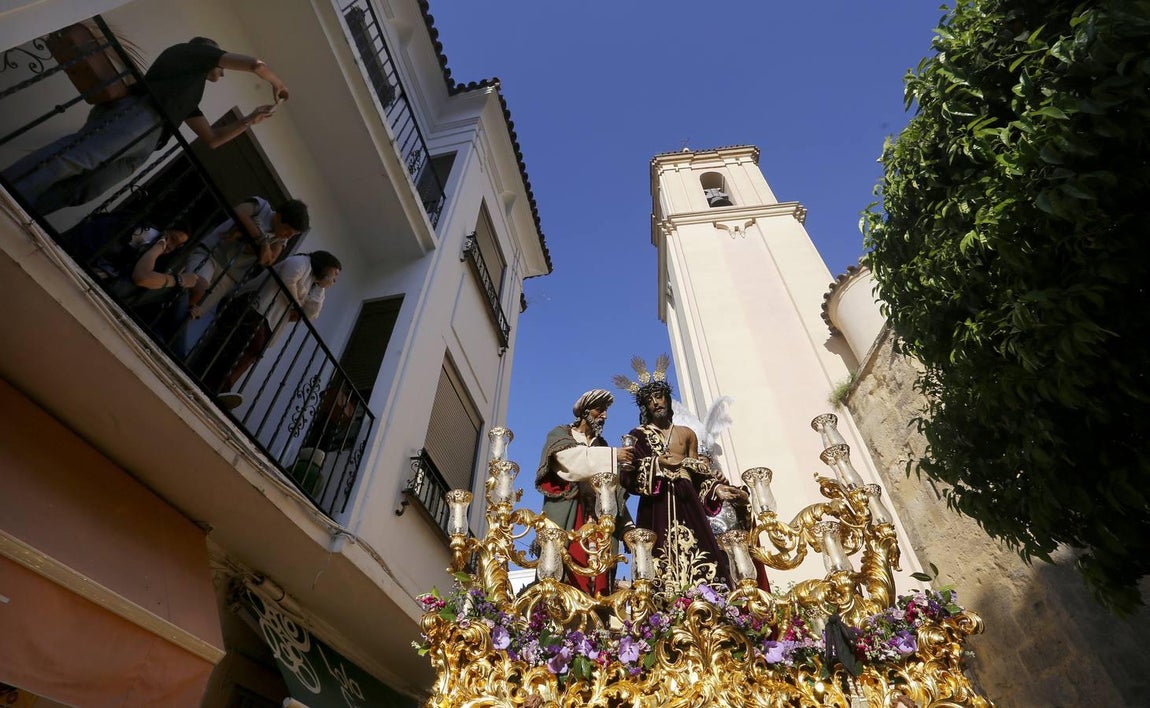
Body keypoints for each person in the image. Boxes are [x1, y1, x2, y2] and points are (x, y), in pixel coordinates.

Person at [2, 36, 288, 215]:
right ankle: (10, 194)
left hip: (149, 138)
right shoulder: (190, 53)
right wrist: (278, 84)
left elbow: (211, 138)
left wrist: (250, 119)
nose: (223, 73)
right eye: (221, 65)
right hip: (140, 116)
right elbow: (255, 64)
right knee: (75, 159)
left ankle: (24, 212)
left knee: (84, 189)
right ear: (208, 53)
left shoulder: (187, 88)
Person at [614, 355, 747, 592]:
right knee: (656, 558)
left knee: (701, 549)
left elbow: (701, 473)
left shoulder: (687, 434)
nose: (656, 402)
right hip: (656, 502)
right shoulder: (638, 435)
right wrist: (658, 464)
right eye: (650, 400)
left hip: (687, 498)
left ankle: (711, 599)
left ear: (667, 399)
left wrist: (717, 488)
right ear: (645, 407)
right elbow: (628, 476)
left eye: (659, 396)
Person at [191, 250, 340, 410]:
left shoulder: (313, 284)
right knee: (243, 343)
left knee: (254, 352)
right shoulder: (302, 262)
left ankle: (221, 387)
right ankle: (211, 381)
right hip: (252, 306)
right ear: (325, 265)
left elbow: (312, 313)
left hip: (270, 320)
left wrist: (319, 288)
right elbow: (288, 278)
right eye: (335, 273)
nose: (335, 279)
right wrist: (296, 304)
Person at [535, 389, 635, 596]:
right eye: (600, 410)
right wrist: (613, 456)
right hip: (570, 519)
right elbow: (572, 463)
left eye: (606, 411)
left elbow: (613, 493)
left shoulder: (602, 446)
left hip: (599, 524)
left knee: (599, 580)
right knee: (562, 576)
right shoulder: (561, 435)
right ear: (585, 412)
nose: (604, 416)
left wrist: (627, 528)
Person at [187, 196, 310, 318]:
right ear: (278, 216)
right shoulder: (261, 207)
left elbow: (267, 260)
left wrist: (247, 234)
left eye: (293, 234)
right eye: (287, 229)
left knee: (195, 312)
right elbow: (239, 212)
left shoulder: (281, 240)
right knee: (197, 290)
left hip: (230, 276)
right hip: (212, 254)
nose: (288, 236)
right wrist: (262, 241)